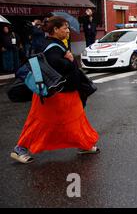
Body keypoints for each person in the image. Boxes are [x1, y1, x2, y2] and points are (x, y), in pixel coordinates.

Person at [10, 16, 99, 164]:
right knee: (40, 123)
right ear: (55, 29)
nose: (67, 31)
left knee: (76, 120)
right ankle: (20, 149)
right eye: (65, 28)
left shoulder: (55, 44)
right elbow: (55, 66)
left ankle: (85, 144)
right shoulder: (52, 47)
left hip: (65, 93)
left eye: (67, 28)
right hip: (56, 95)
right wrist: (69, 60)